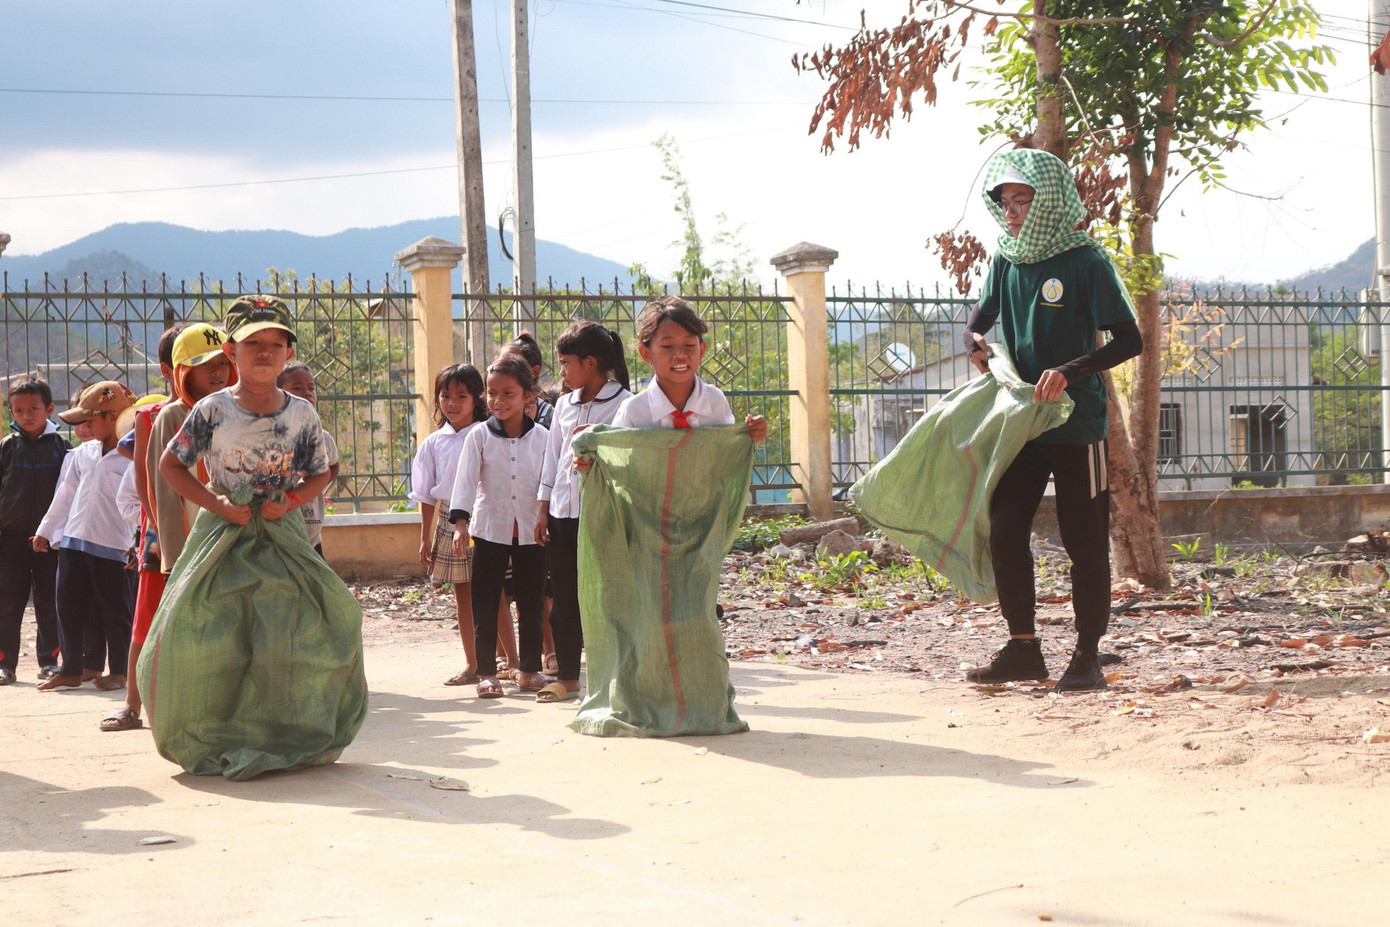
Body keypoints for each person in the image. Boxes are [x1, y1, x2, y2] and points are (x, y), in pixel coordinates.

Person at [142, 294, 366, 779]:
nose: (264, 352)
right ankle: (214, 731)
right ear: (231, 352)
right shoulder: (211, 410)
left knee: (295, 630)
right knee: (206, 632)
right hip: (222, 536)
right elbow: (170, 466)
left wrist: (292, 498)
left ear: (288, 352)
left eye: (275, 343)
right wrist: (219, 504)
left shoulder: (301, 415)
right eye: (252, 343)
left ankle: (282, 733)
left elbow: (320, 472)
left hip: (282, 538)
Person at [962, 148, 1144, 693]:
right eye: (1005, 202)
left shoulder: (1085, 261)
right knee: (1004, 526)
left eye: (1022, 200)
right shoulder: (1005, 258)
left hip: (1075, 420)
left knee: (1083, 539)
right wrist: (972, 339)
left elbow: (1129, 340)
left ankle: (1087, 657)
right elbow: (981, 317)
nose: (1011, 212)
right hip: (1022, 419)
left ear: (1050, 199)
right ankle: (1024, 650)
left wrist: (1069, 370)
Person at [568, 296, 765, 737]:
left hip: (698, 532)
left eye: (690, 344)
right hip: (647, 532)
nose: (680, 355)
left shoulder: (715, 403)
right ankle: (646, 702)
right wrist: (590, 462)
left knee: (697, 617)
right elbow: (615, 465)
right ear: (645, 353)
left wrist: (749, 436)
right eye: (667, 345)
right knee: (650, 619)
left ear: (703, 350)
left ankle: (705, 706)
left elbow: (724, 460)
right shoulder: (635, 411)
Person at [101, 323, 234, 732]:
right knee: (148, 618)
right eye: (201, 365)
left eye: (221, 364)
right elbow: (148, 481)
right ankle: (132, 704)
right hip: (167, 534)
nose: (214, 373)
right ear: (178, 372)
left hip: (220, 529)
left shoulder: (236, 411)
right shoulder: (155, 416)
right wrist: (165, 536)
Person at [532, 322, 631, 703]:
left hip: (603, 514)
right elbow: (552, 459)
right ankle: (570, 679)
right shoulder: (563, 404)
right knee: (564, 600)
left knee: (606, 597)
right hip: (561, 513)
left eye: (565, 363)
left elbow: (629, 458)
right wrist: (543, 510)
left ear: (590, 363)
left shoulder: (625, 404)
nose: (561, 373)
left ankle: (616, 678)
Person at [448, 354, 551, 699]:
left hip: (532, 532)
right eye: (492, 393)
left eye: (508, 393)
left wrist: (544, 516)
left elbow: (548, 484)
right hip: (489, 529)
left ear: (527, 396)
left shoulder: (543, 439)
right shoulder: (479, 436)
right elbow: (464, 482)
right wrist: (461, 525)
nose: (498, 401)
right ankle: (487, 674)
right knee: (486, 600)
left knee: (532, 601)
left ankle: (529, 671)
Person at [33, 381, 138, 691]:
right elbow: (65, 494)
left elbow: (141, 502)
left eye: (90, 420)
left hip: (114, 545)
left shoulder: (132, 456)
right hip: (74, 540)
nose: (84, 427)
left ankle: (119, 670)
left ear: (115, 417)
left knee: (115, 609)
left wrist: (136, 543)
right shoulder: (83, 454)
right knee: (66, 603)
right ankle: (70, 668)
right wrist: (46, 530)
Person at [408, 363, 486, 686]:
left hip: (485, 520)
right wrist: (425, 538)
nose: (452, 403)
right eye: (445, 395)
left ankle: (508, 660)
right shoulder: (432, 444)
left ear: (477, 399)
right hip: (448, 521)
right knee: (464, 595)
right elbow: (426, 495)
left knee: (496, 594)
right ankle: (473, 663)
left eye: (461, 396)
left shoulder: (486, 435)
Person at [0, 376, 70, 686]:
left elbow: (70, 493)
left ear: (50, 409)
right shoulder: (6, 447)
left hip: (49, 539)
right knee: (8, 600)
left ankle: (48, 662)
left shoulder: (62, 447)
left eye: (33, 409)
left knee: (48, 601)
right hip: (11, 538)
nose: (26, 416)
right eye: (18, 410)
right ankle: (5, 665)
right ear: (10, 411)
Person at [277, 362, 339, 557]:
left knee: (316, 586)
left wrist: (315, 484)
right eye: (297, 388)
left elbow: (333, 466)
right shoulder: (272, 436)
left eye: (311, 388)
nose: (307, 393)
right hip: (279, 536)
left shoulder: (323, 437)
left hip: (312, 536)